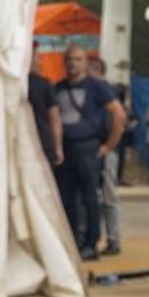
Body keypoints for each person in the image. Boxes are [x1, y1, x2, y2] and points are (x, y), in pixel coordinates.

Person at [53, 47, 125, 260]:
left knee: (89, 197)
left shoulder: (97, 87)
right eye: (70, 59)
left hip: (87, 146)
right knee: (67, 197)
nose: (73, 64)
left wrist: (109, 145)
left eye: (78, 59)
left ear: (85, 63)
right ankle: (73, 239)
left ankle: (91, 242)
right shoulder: (58, 88)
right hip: (66, 148)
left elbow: (118, 113)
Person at [86, 57, 124, 256]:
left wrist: (108, 146)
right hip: (99, 148)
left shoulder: (104, 92)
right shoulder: (98, 91)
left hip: (105, 149)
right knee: (99, 196)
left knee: (108, 195)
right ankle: (105, 237)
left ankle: (113, 239)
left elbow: (118, 118)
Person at [28, 48, 63, 168]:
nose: (41, 63)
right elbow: (54, 118)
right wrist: (58, 147)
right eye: (38, 58)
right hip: (43, 142)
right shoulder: (44, 84)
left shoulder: (12, 84)